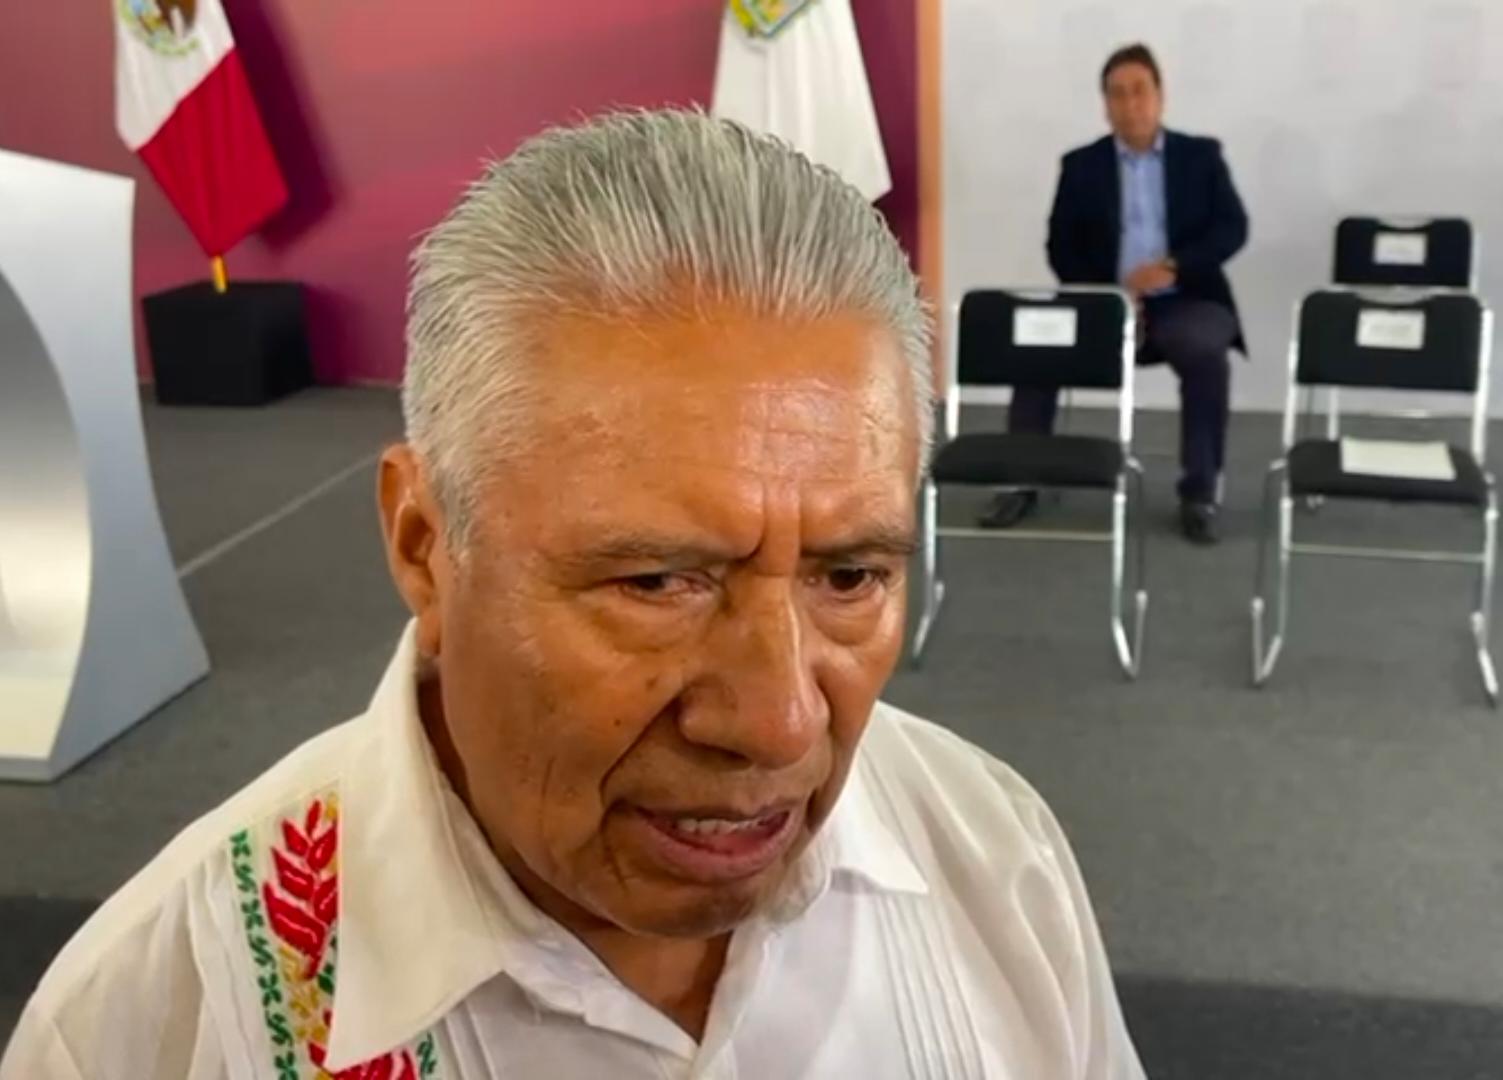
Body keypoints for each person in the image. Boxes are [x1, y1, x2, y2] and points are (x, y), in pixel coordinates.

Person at [2, 110, 1146, 1079]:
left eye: (849, 576)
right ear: (423, 544)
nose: (780, 722)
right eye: (657, 581)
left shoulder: (998, 857)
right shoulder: (152, 1025)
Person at [982, 42, 1249, 544]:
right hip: (1104, 303)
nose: (1130, 104)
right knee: (1037, 348)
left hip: (1185, 298)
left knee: (1203, 351)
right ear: (1105, 105)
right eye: (1117, 94)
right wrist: (1112, 293)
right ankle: (1020, 480)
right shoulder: (1081, 166)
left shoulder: (1201, 157)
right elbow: (1060, 246)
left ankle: (1199, 494)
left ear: (1161, 97)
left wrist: (1171, 267)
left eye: (1140, 91)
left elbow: (1232, 228)